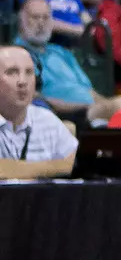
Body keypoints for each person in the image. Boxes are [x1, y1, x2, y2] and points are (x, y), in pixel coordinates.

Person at [15, 0, 121, 123]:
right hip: (63, 116)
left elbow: (89, 90)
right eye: (35, 17)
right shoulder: (17, 55)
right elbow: (35, 98)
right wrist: (81, 110)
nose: (41, 22)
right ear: (21, 20)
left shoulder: (61, 52)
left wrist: (107, 105)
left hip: (90, 112)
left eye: (46, 17)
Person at [0, 45, 78, 180]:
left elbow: (76, 164)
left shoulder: (46, 119)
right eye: (12, 72)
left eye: (29, 72)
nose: (22, 81)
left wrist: (18, 169)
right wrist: (56, 167)